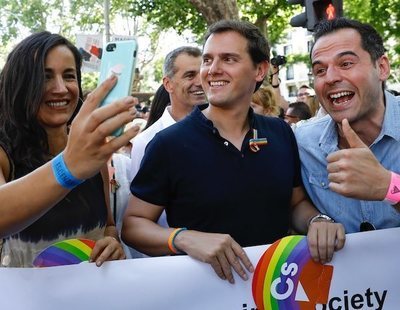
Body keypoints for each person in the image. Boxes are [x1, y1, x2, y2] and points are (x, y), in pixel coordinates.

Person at [123, 20, 344, 284]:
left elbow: (295, 203)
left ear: (260, 70)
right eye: (208, 60)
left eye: (228, 59)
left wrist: (317, 221)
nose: (213, 70)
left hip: (276, 288)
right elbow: (134, 224)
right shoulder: (168, 143)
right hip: (203, 296)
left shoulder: (280, 133)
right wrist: (183, 238)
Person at [0, 31, 139, 267]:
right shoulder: (4, 152)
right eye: (44, 77)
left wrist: (112, 242)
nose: (61, 88)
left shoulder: (93, 153)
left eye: (69, 76)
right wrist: (68, 167)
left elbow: (108, 225)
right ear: (20, 84)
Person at [294, 18, 400, 234]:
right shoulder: (303, 142)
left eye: (346, 64)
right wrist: (316, 220)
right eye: (320, 70)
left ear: (381, 67)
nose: (331, 78)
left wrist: (388, 187)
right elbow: (294, 204)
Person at [129, 46, 205, 182]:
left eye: (203, 74)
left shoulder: (220, 131)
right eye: (190, 75)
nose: (200, 82)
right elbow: (139, 199)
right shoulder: (146, 142)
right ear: (168, 84)